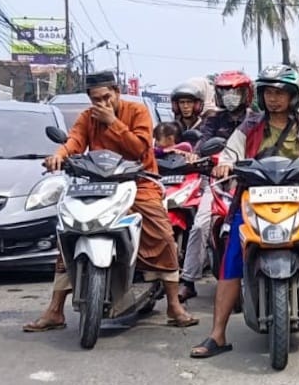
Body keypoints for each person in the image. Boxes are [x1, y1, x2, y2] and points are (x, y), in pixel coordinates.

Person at [189, 64, 299, 358]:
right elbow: (229, 153)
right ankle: (217, 334)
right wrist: (224, 164)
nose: (274, 99)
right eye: (268, 93)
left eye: (280, 93)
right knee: (232, 257)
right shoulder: (248, 127)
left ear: (293, 96)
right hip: (253, 199)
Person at [23, 71, 196, 332]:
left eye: (106, 97)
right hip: (97, 184)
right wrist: (58, 156)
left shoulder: (137, 112)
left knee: (162, 234)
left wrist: (113, 122)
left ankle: (174, 305)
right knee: (69, 232)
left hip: (139, 182)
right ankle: (55, 309)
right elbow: (74, 142)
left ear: (116, 92)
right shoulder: (86, 117)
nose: (102, 103)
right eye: (96, 99)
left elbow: (139, 148)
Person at [179, 70, 255, 300]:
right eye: (224, 91)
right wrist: (195, 156)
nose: (230, 96)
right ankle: (188, 280)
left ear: (246, 93)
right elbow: (202, 143)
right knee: (201, 224)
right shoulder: (213, 119)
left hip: (251, 182)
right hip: (219, 181)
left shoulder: (256, 119)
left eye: (235, 91)